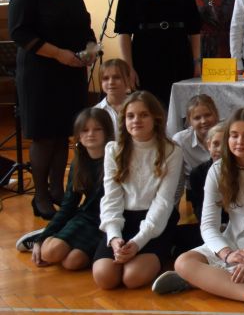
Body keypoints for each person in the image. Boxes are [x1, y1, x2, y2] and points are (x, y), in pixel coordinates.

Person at [151, 108, 244, 315]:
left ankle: (199, 280)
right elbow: (208, 225)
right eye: (234, 135)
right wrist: (227, 254)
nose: (240, 141)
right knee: (183, 262)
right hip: (234, 241)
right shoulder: (217, 170)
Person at [9, 0, 96, 218]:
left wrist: (91, 51)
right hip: (40, 75)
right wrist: (59, 54)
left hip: (71, 73)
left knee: (63, 134)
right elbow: (20, 33)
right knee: (45, 136)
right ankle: (41, 196)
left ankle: (58, 190)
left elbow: (86, 29)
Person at [93, 91, 183, 290]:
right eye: (130, 116)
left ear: (156, 118)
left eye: (144, 115)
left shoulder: (172, 151)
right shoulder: (113, 150)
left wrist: (138, 242)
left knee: (132, 278)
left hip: (155, 221)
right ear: (124, 120)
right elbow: (111, 197)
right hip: (123, 218)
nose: (136, 120)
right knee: (105, 278)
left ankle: (168, 247)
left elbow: (164, 202)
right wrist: (115, 237)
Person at [17, 108, 115, 270]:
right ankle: (45, 234)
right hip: (86, 218)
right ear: (78, 135)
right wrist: (43, 239)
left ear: (108, 132)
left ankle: (59, 234)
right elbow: (69, 205)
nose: (91, 134)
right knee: (50, 253)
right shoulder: (78, 163)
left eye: (97, 129)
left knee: (72, 263)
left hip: (108, 222)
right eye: (85, 130)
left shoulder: (115, 159)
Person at [115, 0, 201, 110]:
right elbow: (123, 31)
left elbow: (194, 28)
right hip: (145, 55)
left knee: (182, 108)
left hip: (179, 54)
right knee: (150, 107)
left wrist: (196, 60)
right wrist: (129, 67)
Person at [171, 94, 220, 203]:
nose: (203, 121)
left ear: (216, 114)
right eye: (197, 118)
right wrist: (172, 208)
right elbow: (177, 180)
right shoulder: (181, 140)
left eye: (208, 115)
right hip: (198, 192)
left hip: (226, 189)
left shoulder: (228, 135)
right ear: (189, 121)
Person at [188, 121, 226, 219]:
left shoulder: (241, 170)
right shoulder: (197, 174)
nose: (220, 149)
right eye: (216, 144)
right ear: (209, 145)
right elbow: (199, 207)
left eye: (226, 145)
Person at [95, 58, 132, 139]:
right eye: (105, 78)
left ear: (129, 79)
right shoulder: (96, 111)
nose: (111, 82)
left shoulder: (138, 106)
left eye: (117, 77)